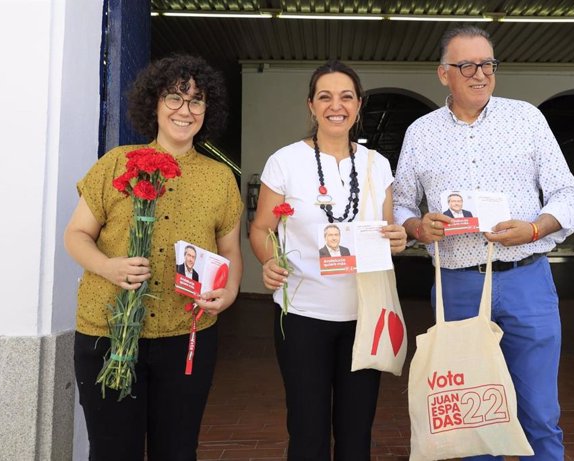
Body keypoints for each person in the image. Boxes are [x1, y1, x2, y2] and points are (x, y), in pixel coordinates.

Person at [393, 26, 574, 460]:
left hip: (526, 280)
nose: (480, 74)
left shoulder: (527, 119)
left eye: (487, 64)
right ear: (444, 73)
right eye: (467, 65)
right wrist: (419, 227)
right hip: (458, 286)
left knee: (539, 413)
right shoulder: (420, 134)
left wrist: (535, 228)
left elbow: (567, 193)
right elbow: (400, 205)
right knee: (474, 418)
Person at [64, 54, 243, 461]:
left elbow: (230, 251)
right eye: (174, 98)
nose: (185, 110)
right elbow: (75, 236)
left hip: (187, 334)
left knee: (177, 450)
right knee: (113, 451)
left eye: (196, 101)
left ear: (207, 110)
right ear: (154, 103)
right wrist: (109, 267)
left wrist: (229, 292)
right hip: (107, 333)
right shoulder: (116, 163)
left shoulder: (219, 178)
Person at [249, 59, 407, 460]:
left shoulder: (378, 165)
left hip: (365, 315)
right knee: (307, 431)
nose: (336, 106)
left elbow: (388, 228)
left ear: (358, 105)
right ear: (311, 105)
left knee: (357, 433)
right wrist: (270, 261)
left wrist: (398, 237)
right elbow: (260, 229)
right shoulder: (285, 161)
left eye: (346, 97)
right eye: (325, 97)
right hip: (302, 315)